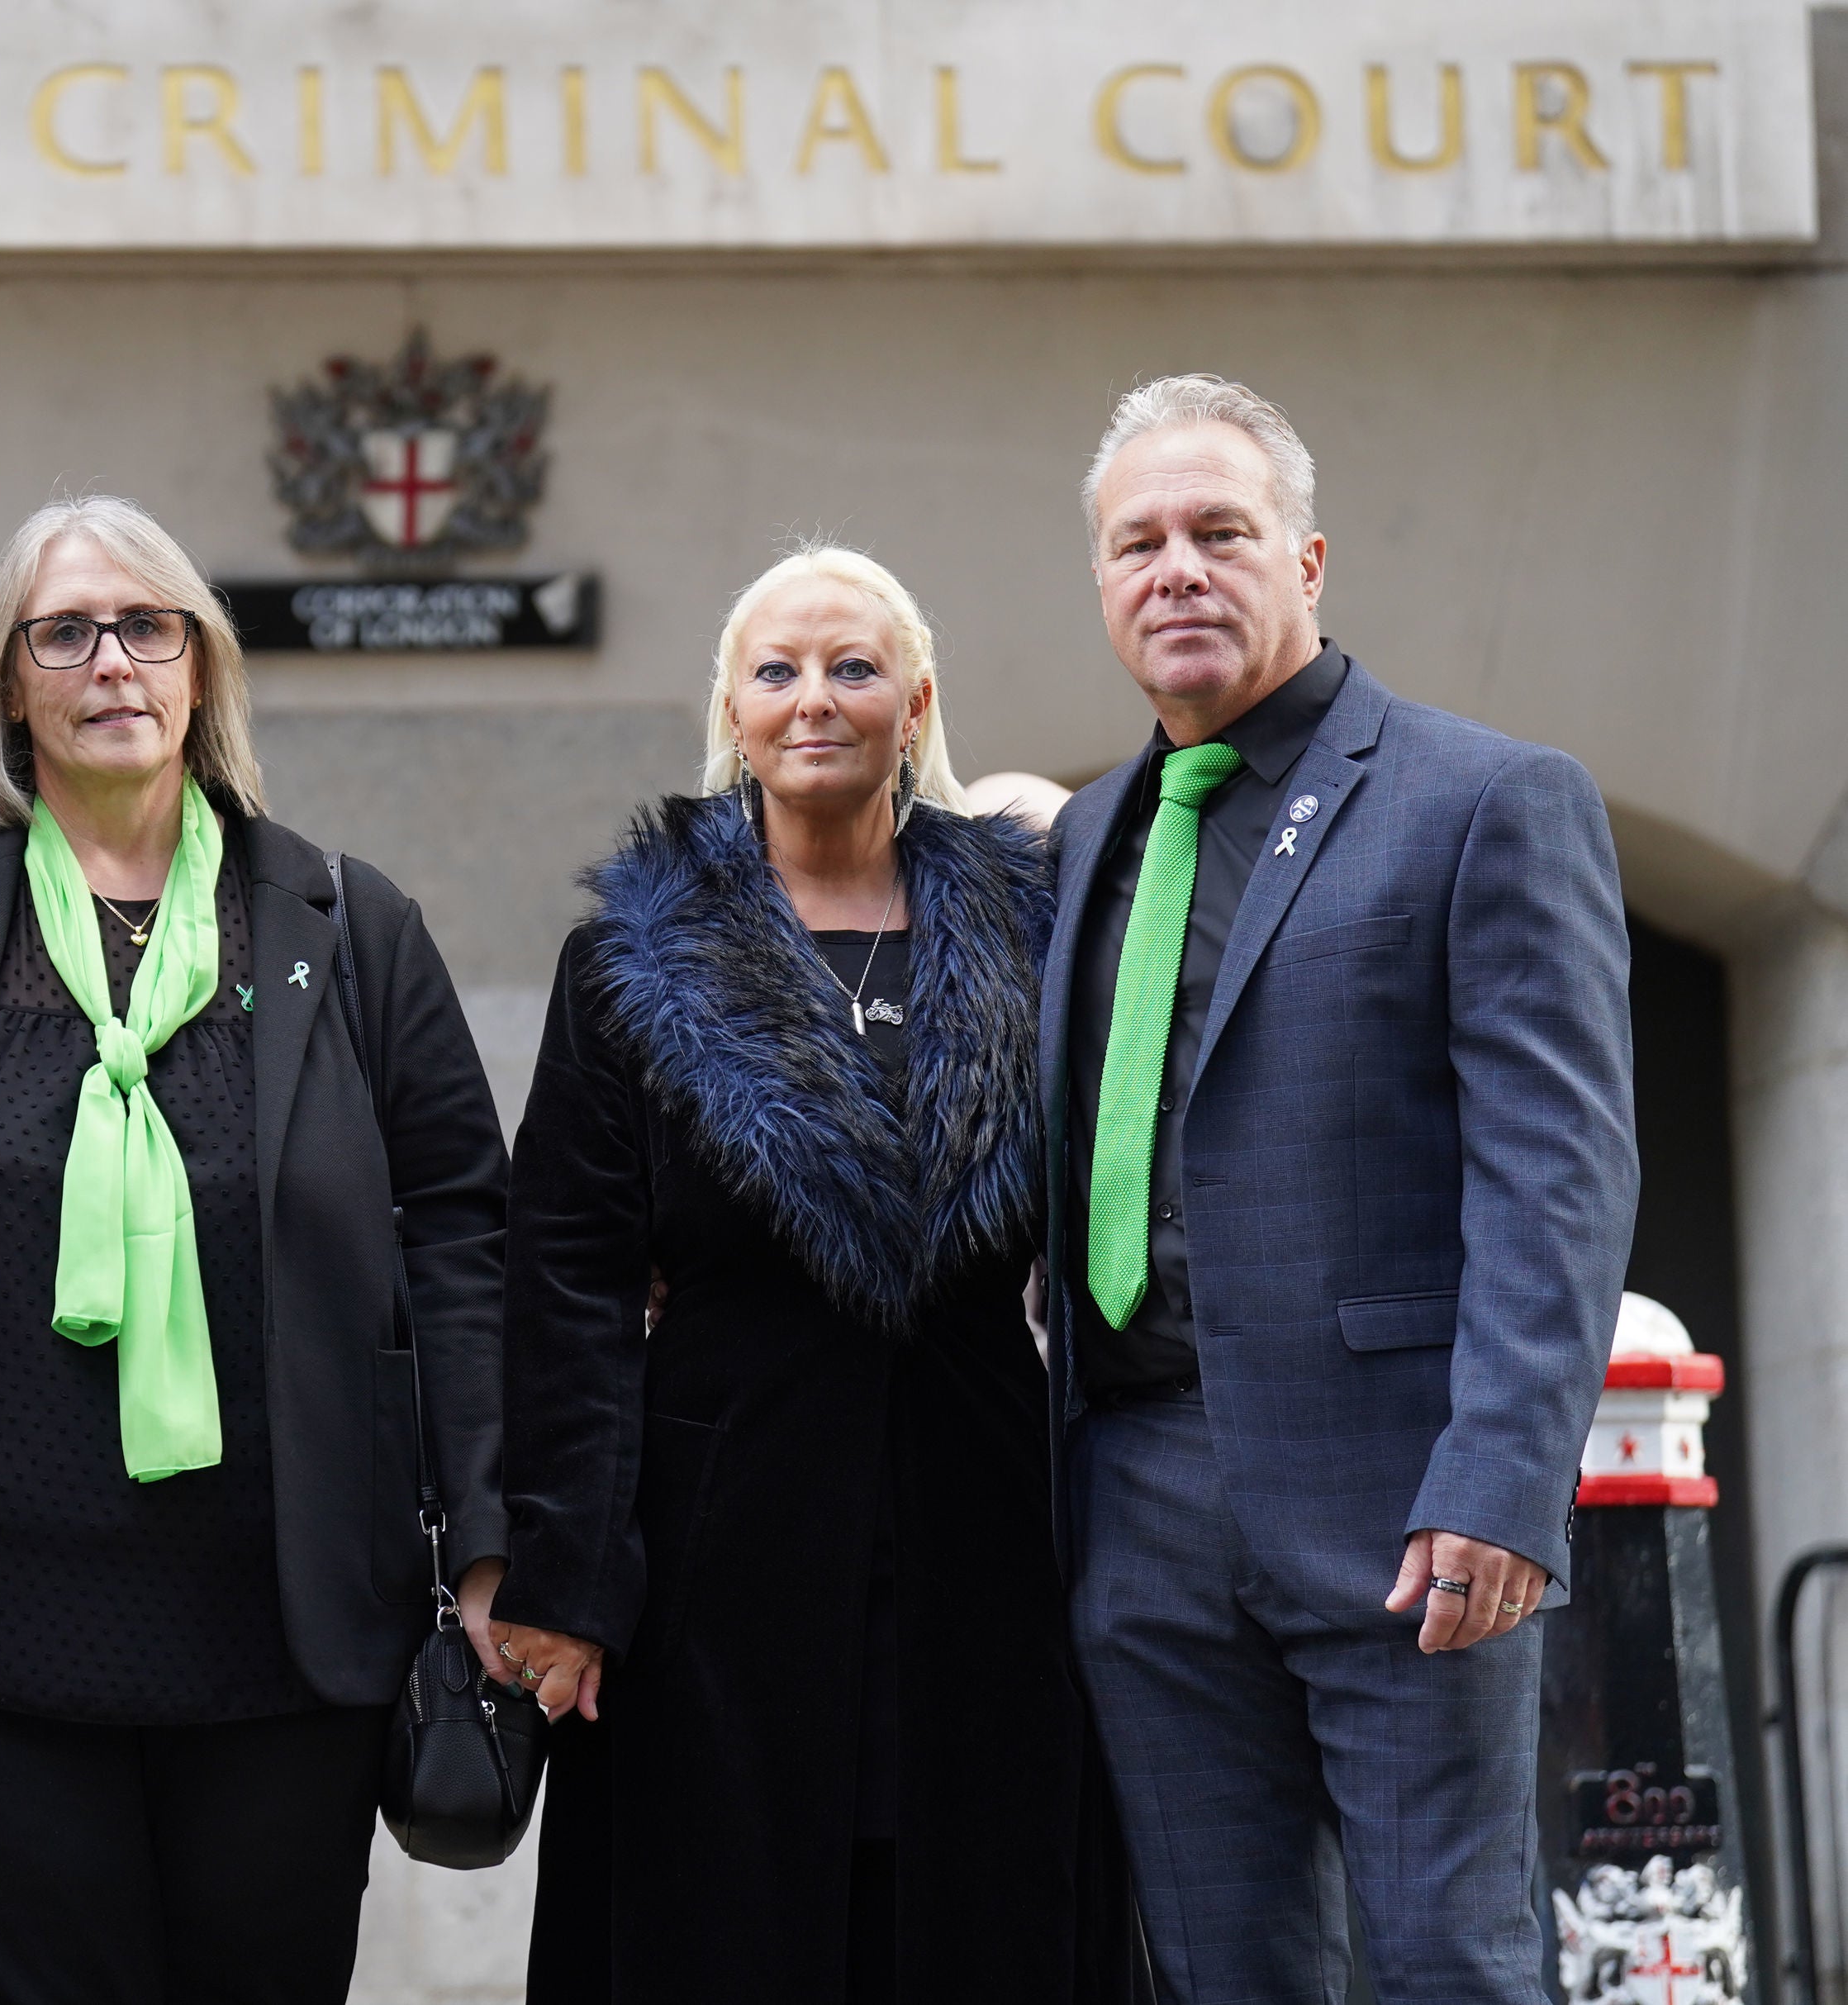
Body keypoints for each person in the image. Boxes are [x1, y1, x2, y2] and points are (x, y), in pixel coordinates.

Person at [0, 494, 511, 2003]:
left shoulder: (345, 922)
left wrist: (491, 1539)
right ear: (13, 684)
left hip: (280, 1637)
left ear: (203, 668)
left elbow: (463, 1232)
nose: (109, 661)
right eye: (63, 632)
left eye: (148, 627)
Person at [1044, 374, 1637, 2003]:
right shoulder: (1085, 834)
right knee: (1220, 1971)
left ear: (1304, 562)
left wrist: (1503, 1478)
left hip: (1400, 1501)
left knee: (1445, 1958)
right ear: (1101, 584)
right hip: (1137, 1499)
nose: (1177, 568)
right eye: (1137, 542)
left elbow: (1560, 1174)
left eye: (1218, 531)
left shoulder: (1483, 800)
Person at [490, 545, 1132, 2003]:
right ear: (732, 706)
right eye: (778, 670)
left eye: (852, 667)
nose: (814, 699)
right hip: (714, 1549)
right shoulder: (630, 965)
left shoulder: (1037, 932)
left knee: (977, 1922)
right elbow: (567, 1280)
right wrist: (564, 1576)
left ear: (917, 700)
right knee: (725, 1931)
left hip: (985, 1531)